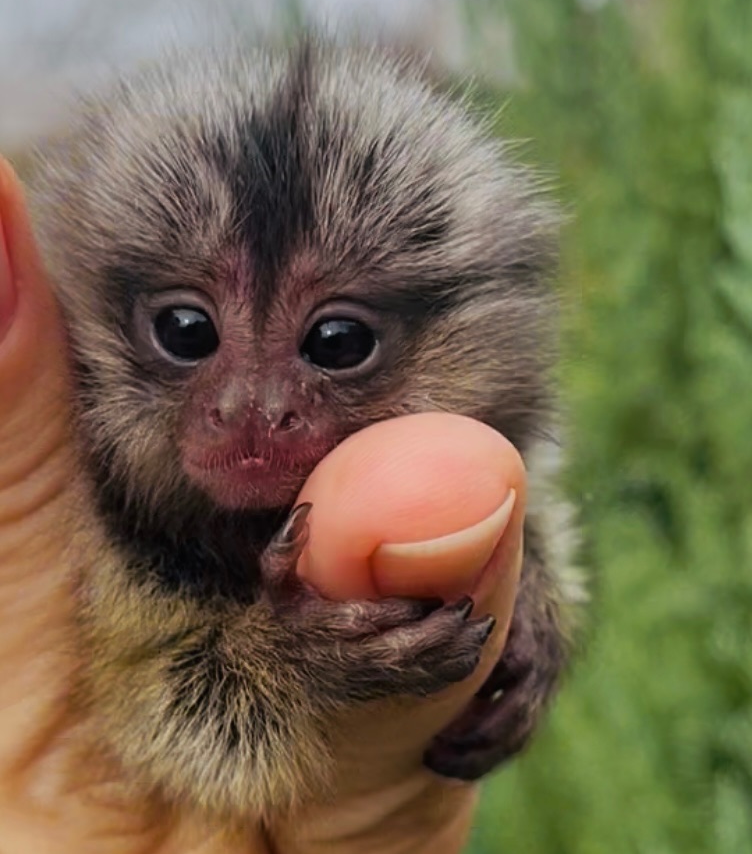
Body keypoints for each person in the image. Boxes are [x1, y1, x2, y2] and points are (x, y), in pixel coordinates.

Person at [0, 155, 524, 854]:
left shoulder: (471, 412)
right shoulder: (88, 514)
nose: (254, 406)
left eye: (338, 343)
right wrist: (282, 660)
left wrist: (528, 595)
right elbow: (174, 738)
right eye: (188, 332)